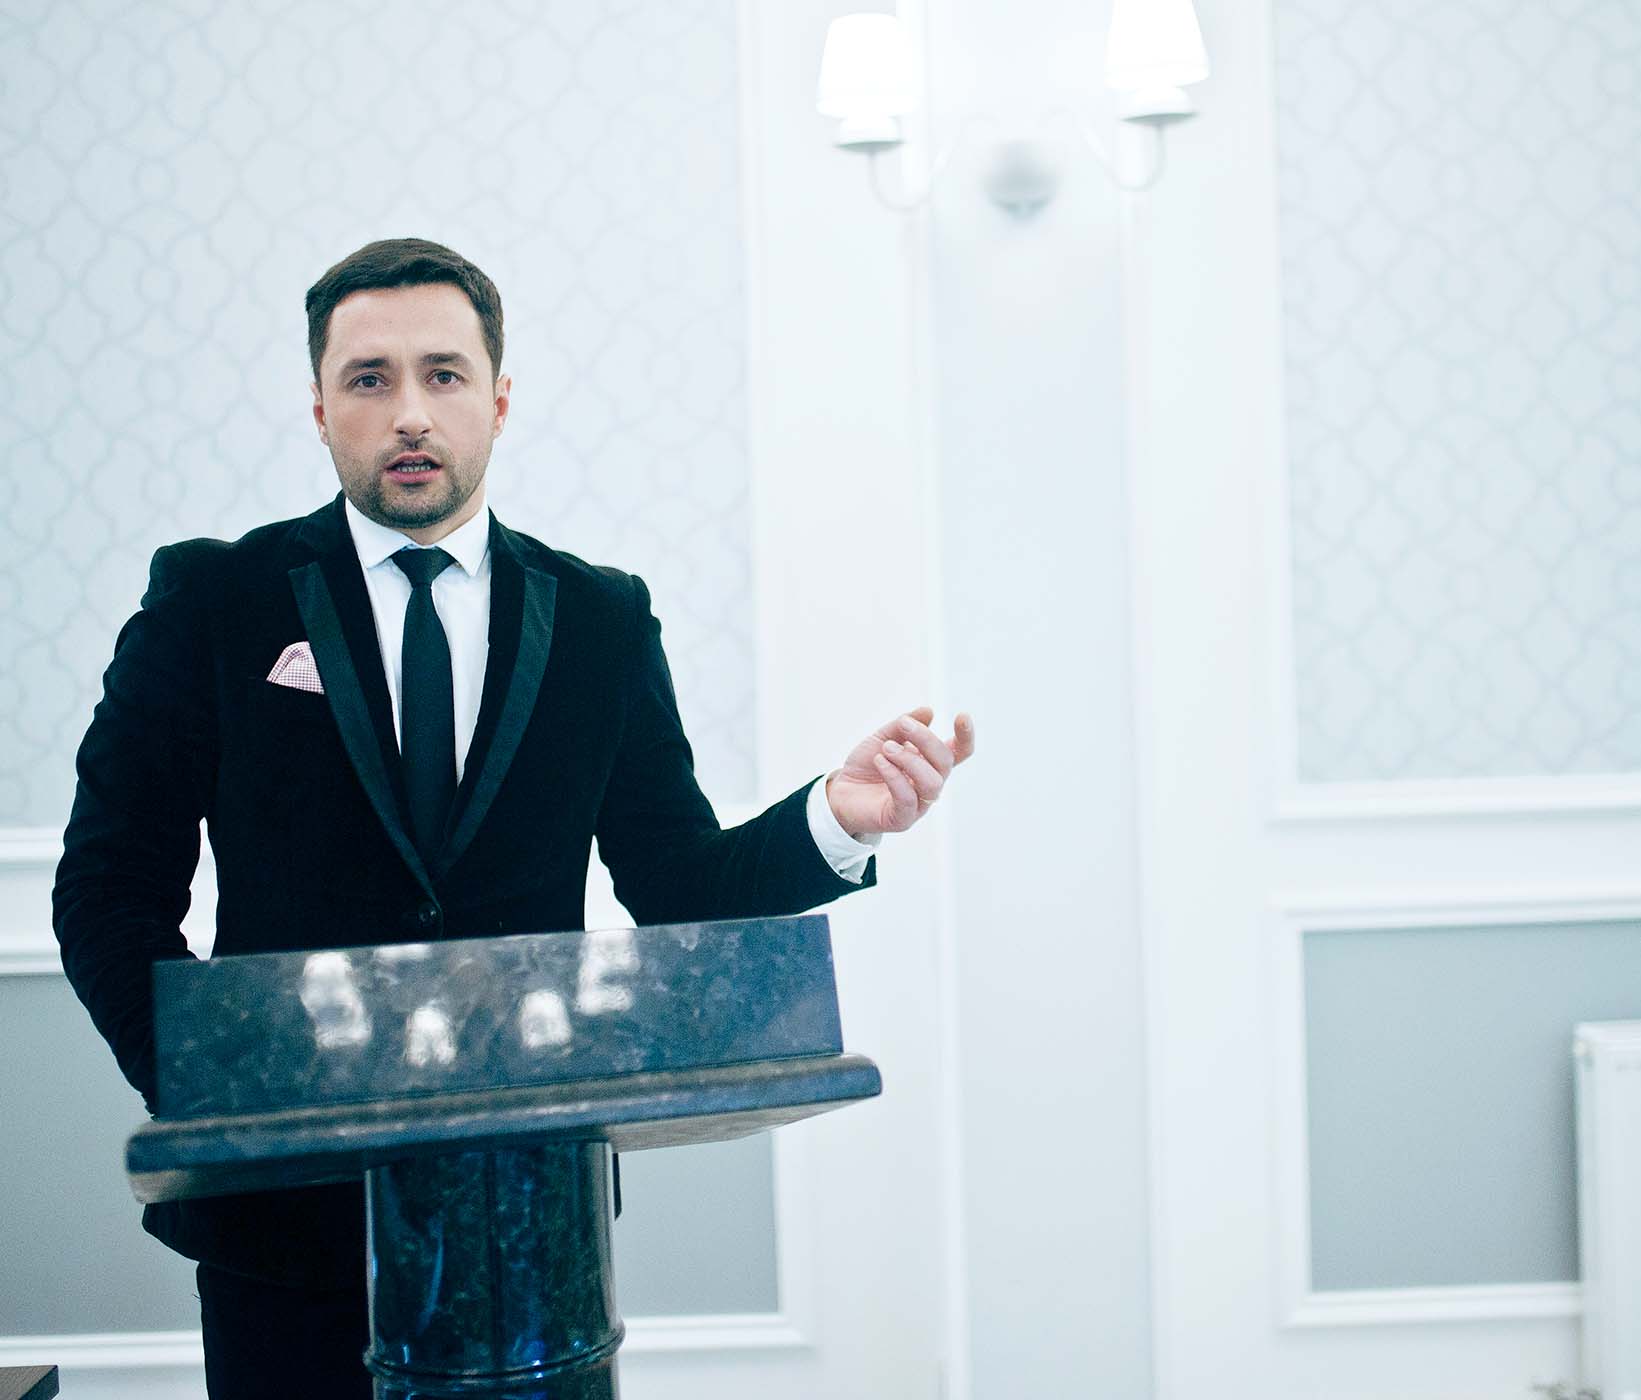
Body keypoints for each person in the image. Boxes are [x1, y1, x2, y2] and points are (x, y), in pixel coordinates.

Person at [51, 237, 973, 1398]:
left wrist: (837, 816)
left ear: (495, 398)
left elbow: (676, 880)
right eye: (369, 378)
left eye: (441, 374)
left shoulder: (599, 618)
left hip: (536, 1230)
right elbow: (106, 891)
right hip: (281, 1226)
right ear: (320, 408)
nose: (409, 412)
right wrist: (217, 1091)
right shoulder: (212, 601)